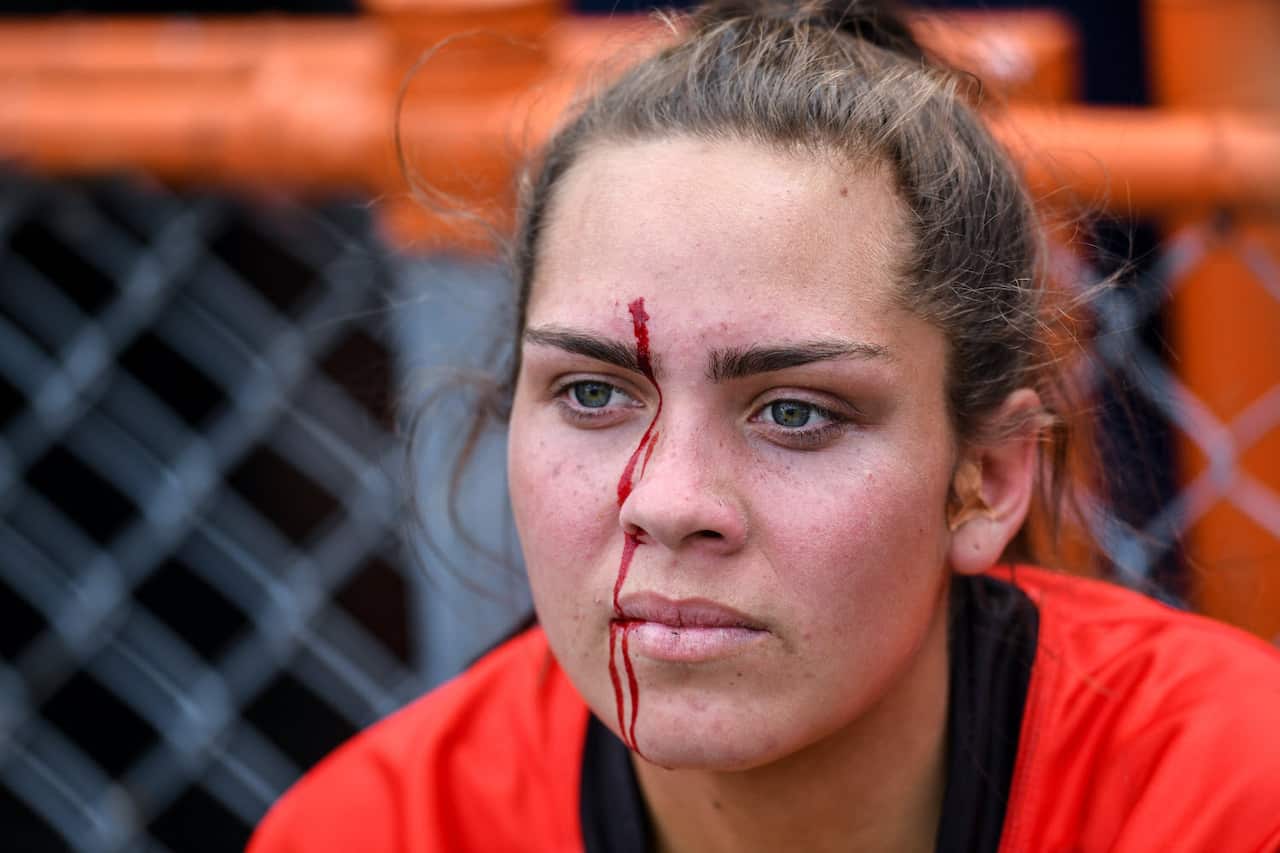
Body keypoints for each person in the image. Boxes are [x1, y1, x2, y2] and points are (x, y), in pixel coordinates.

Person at [249, 1, 1280, 850]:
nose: (666, 502)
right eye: (592, 394)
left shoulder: (1224, 794)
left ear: (986, 478)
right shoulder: (378, 828)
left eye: (794, 412)